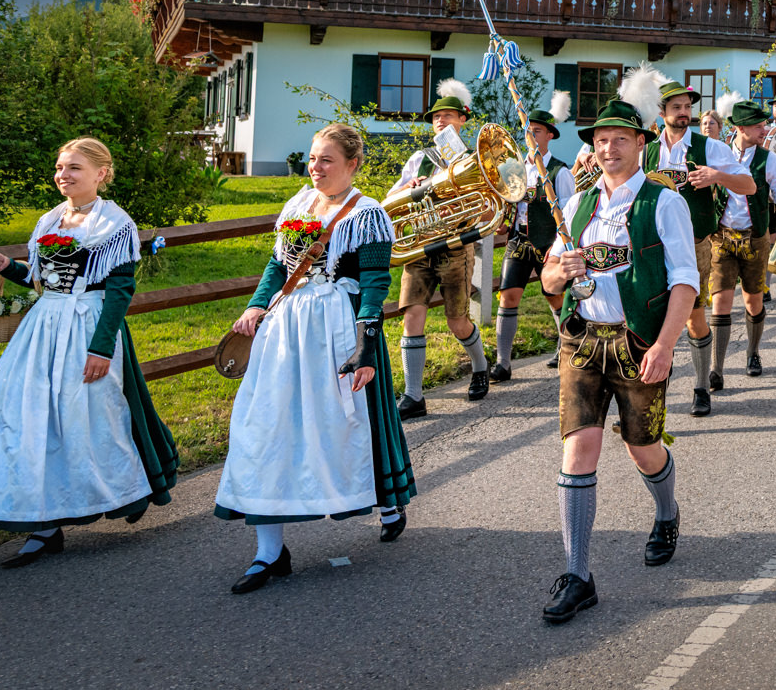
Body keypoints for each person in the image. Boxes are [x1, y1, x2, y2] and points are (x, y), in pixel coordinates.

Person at [0, 137, 178, 569]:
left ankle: (126, 492)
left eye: (74, 168)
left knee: (92, 416)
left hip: (88, 325)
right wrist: (11, 269)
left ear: (101, 173)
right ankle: (43, 523)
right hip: (44, 327)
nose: (63, 175)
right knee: (30, 416)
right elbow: (42, 280)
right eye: (60, 167)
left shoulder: (114, 224)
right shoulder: (50, 219)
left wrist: (101, 349)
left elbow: (119, 291)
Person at [217, 124, 414, 594]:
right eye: (312, 158)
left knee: (350, 424)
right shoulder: (298, 204)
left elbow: (375, 285)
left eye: (327, 159)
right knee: (267, 424)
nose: (315, 167)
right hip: (286, 328)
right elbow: (277, 265)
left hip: (336, 328)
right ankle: (269, 551)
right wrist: (256, 306)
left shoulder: (368, 215)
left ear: (352, 164)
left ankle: (386, 499)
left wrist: (365, 347)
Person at [538, 96, 699, 624]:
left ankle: (666, 512)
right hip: (582, 340)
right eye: (601, 140)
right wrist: (560, 272)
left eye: (620, 139)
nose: (608, 148)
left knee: (642, 447)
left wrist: (665, 346)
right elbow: (548, 279)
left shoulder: (663, 202)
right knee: (579, 448)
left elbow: (685, 281)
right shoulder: (576, 205)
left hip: (639, 341)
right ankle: (577, 575)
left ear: (640, 144)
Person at [642, 77, 754, 417]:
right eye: (676, 107)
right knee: (648, 320)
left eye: (687, 107)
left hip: (694, 246)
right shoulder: (646, 150)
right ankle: (647, 398)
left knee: (693, 317)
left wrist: (716, 177)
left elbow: (749, 185)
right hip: (652, 248)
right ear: (661, 112)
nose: (683, 112)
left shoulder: (710, 148)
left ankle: (701, 386)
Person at [389, 79, 492, 419]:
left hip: (455, 246)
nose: (440, 121)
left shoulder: (472, 159)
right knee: (412, 315)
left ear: (463, 119)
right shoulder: (420, 158)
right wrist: (410, 188)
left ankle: (480, 366)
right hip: (420, 246)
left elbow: (486, 208)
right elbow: (393, 199)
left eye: (447, 115)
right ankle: (413, 396)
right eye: (436, 117)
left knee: (457, 321)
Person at [706, 96, 776, 388]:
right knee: (720, 301)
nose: (764, 130)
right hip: (722, 236)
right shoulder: (719, 153)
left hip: (755, 238)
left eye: (763, 125)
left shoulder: (768, 158)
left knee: (753, 301)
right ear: (741, 128)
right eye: (757, 126)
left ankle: (752, 352)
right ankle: (716, 368)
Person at [492, 95, 578, 384]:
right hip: (519, 239)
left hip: (548, 242)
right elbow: (508, 203)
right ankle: (503, 362)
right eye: (528, 131)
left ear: (550, 135)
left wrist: (560, 246)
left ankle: (565, 346)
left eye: (537, 131)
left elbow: (569, 213)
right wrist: (504, 221)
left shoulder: (560, 171)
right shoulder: (515, 169)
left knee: (554, 296)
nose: (531, 136)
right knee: (508, 295)